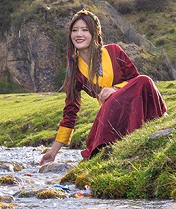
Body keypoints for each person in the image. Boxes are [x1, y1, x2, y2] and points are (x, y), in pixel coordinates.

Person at [40, 9, 167, 164]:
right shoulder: (74, 72)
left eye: (85, 30)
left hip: (134, 107)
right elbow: (70, 112)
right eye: (75, 30)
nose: (79, 34)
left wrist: (115, 89)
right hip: (110, 115)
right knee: (122, 97)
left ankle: (155, 123)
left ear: (95, 33)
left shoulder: (114, 51)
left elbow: (136, 80)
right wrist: (53, 152)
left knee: (145, 81)